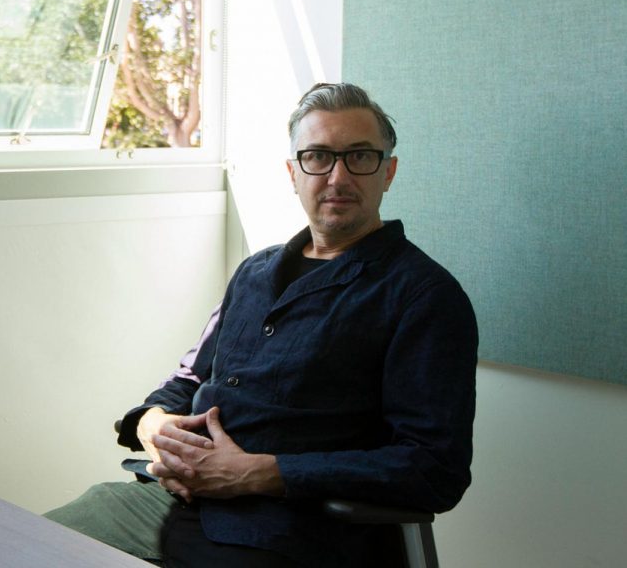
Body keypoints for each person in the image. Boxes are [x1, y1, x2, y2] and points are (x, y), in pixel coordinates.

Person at [45, 83, 478, 567]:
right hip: (169, 499)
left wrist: (256, 473)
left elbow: (433, 468)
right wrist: (151, 424)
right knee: (9, 543)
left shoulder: (423, 296)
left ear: (389, 171)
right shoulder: (255, 272)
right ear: (293, 173)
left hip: (290, 530)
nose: (337, 177)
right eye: (317, 157)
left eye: (359, 156)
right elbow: (191, 378)